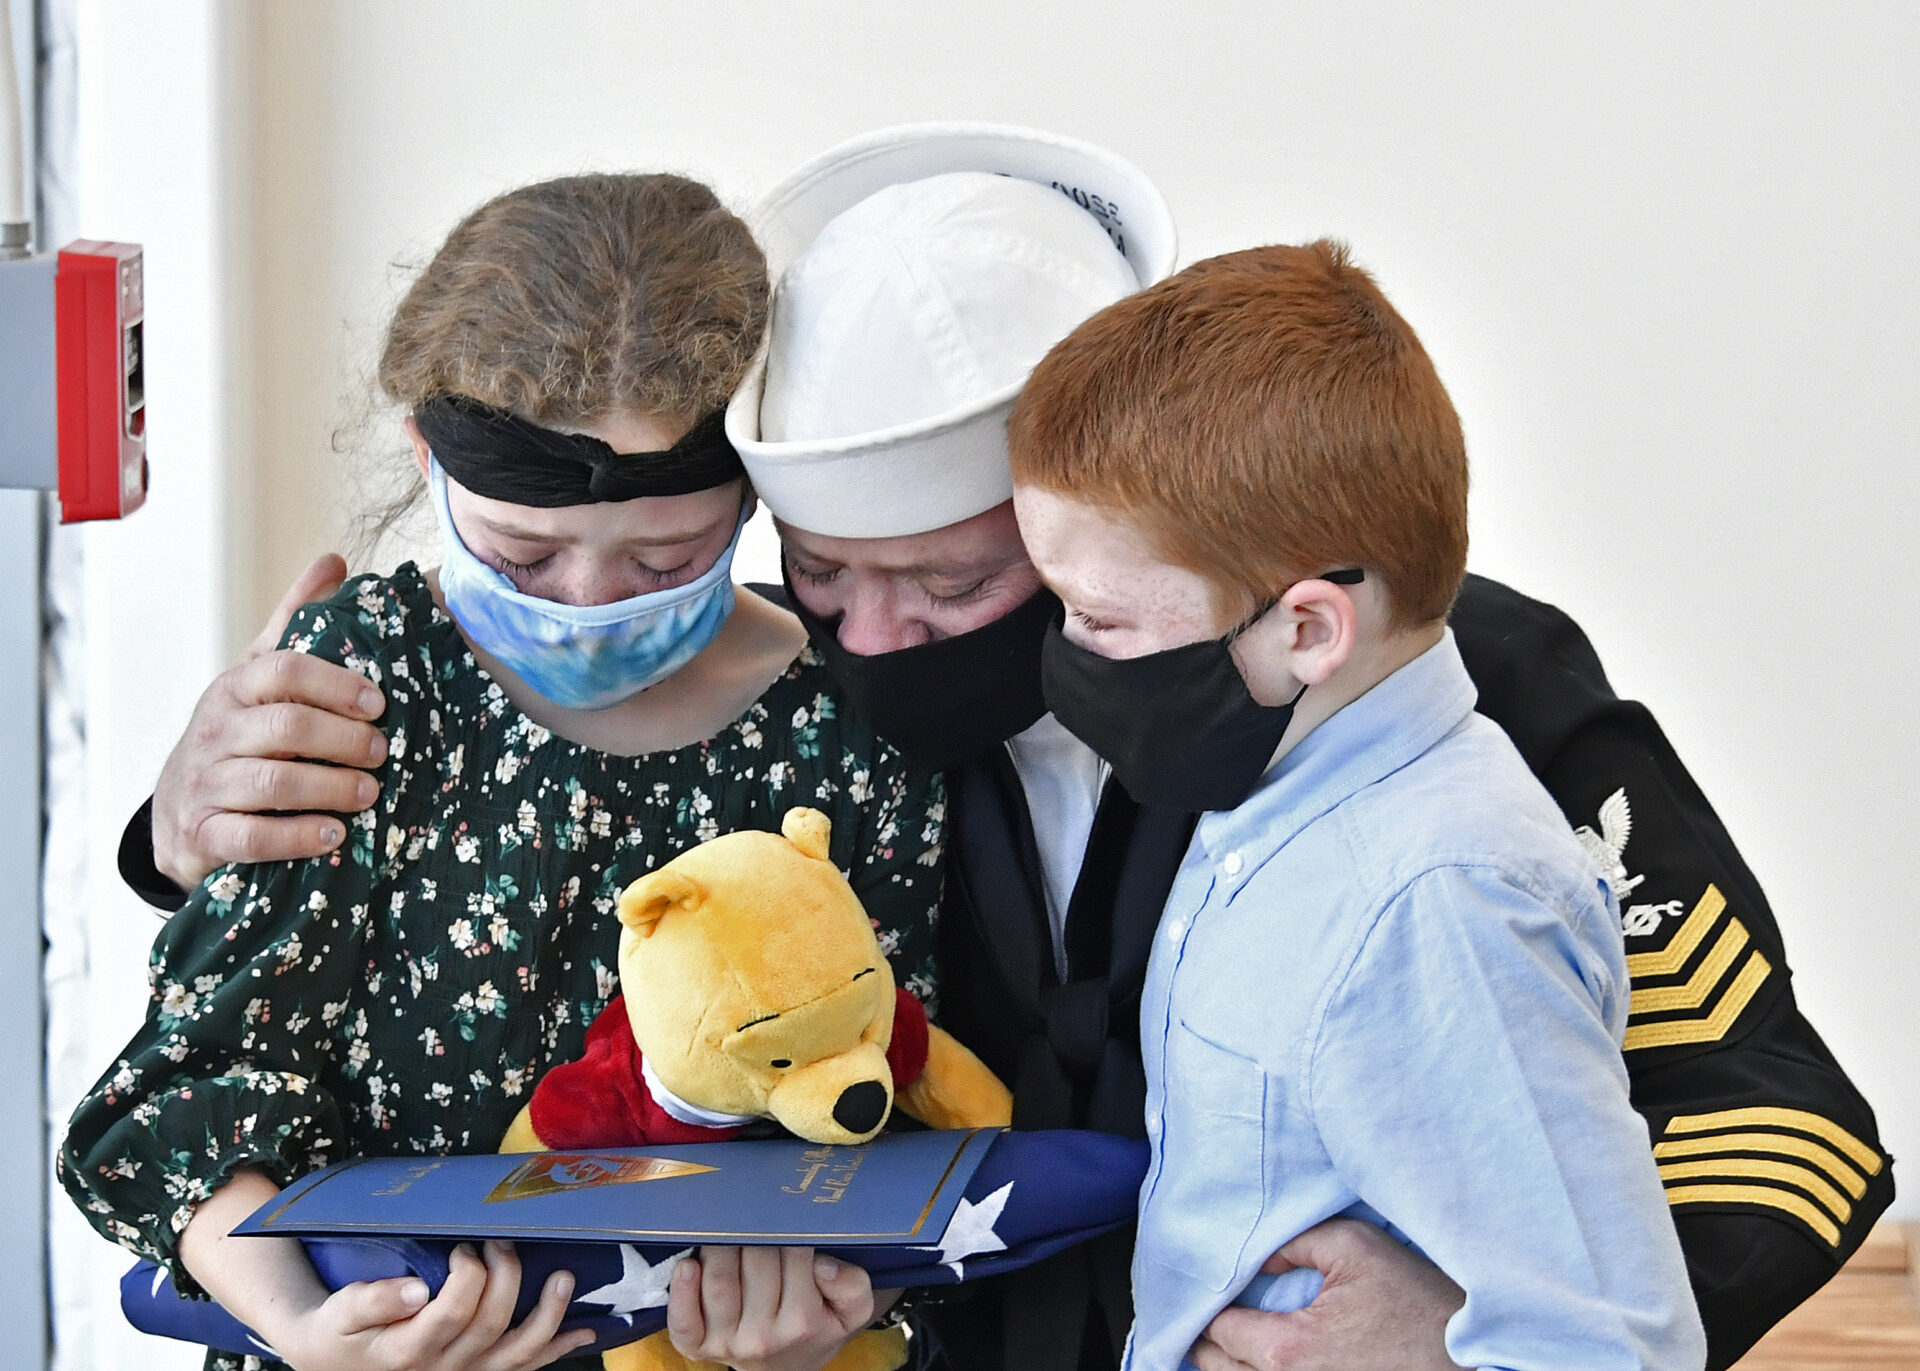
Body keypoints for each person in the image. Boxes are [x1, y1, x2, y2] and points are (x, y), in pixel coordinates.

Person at [119, 125, 1892, 1371]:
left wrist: (1466, 1328)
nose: (873, 637)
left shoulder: (1432, 673)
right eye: (820, 573)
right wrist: (173, 824)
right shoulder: (806, 703)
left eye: (960, 583)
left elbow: (1771, 1115)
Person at [64, 172, 948, 1371]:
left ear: (755, 493)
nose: (589, 603)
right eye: (523, 554)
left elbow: (919, 1116)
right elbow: (194, 1087)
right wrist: (302, 1324)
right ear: (430, 459)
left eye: (666, 556)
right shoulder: (365, 685)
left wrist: (826, 1330)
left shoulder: (849, 729)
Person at [1009, 239, 1710, 1368]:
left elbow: (1606, 1346)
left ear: (1305, 631)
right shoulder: (1271, 780)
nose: (1070, 651)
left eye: (1099, 618)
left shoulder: (1443, 907)